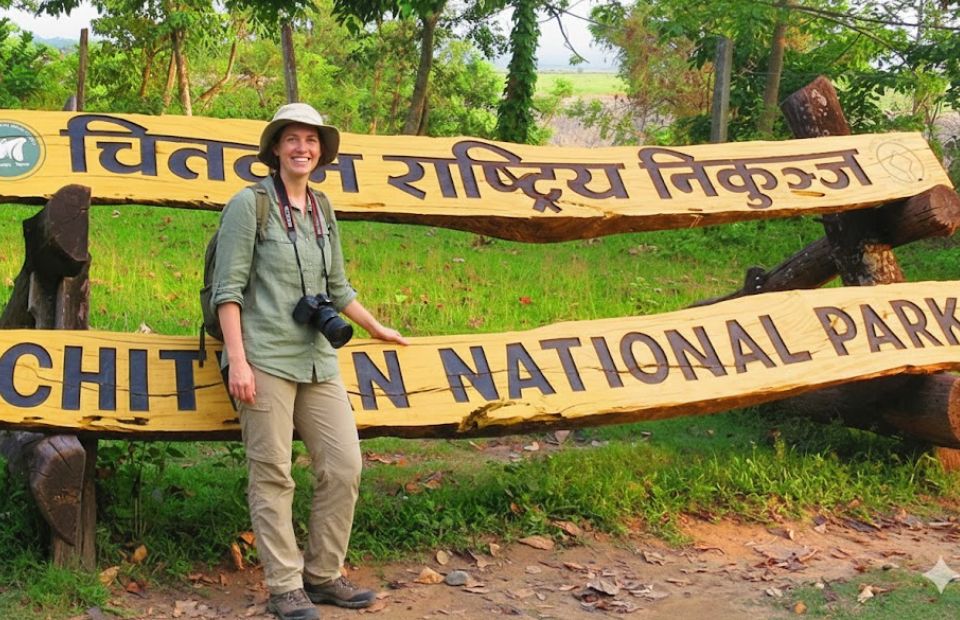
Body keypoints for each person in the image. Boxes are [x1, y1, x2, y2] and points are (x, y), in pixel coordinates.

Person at [210, 103, 408, 620]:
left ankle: (323, 575)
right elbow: (228, 290)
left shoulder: (322, 207)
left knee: (344, 465)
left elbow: (337, 286)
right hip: (264, 356)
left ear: (321, 152)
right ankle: (284, 587)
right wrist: (238, 362)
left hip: (317, 357)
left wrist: (375, 326)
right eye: (293, 139)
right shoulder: (249, 205)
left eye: (312, 140)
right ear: (276, 148)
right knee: (273, 474)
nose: (303, 148)